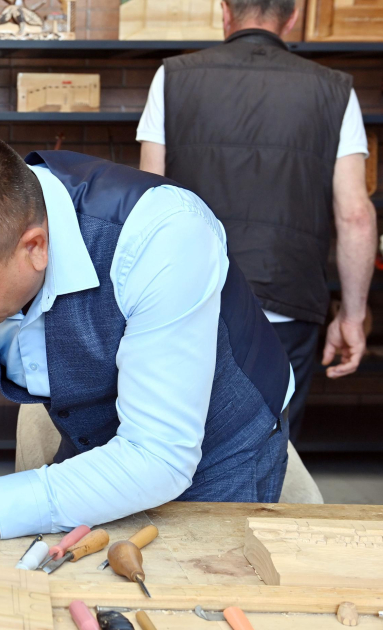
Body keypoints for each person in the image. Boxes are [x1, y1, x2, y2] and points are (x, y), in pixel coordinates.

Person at [0, 130, 296, 552]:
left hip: (218, 450)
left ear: (35, 247)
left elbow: (158, 455)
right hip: (103, 449)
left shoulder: (163, 234)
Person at [137, 0, 378, 443]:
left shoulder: (172, 76)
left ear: (225, 12)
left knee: (179, 441)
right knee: (270, 446)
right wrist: (352, 315)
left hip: (191, 297)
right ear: (293, 18)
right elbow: (356, 216)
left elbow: (149, 199)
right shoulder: (335, 89)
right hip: (288, 301)